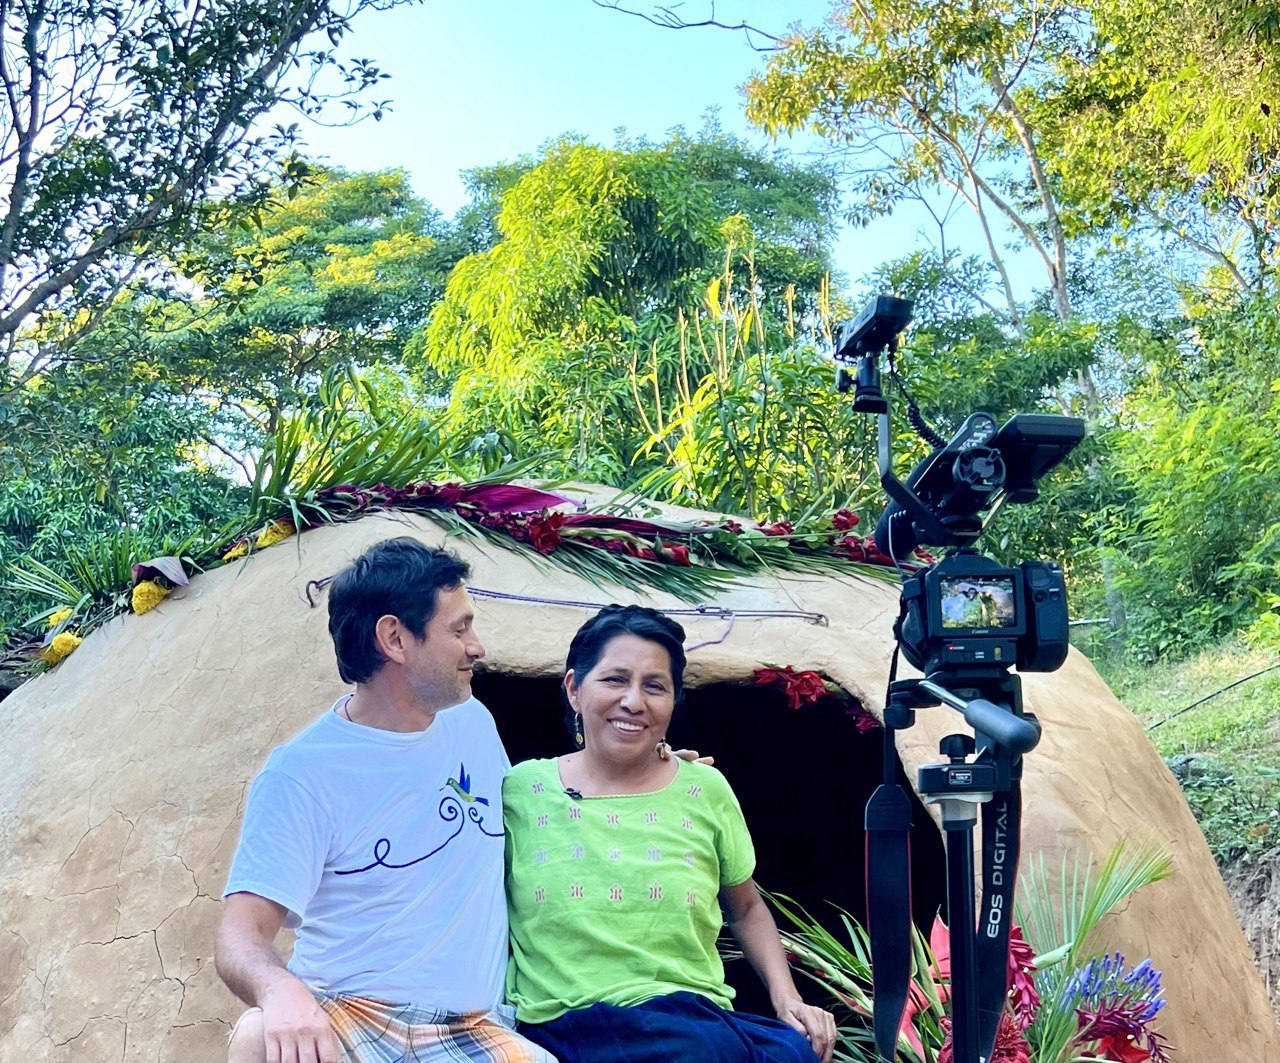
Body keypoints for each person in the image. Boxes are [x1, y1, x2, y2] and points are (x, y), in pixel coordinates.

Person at [215, 537, 556, 1063]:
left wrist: (649, 766)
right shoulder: (303, 774)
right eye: (459, 628)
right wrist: (279, 991)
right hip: (352, 1014)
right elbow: (240, 936)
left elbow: (540, 809)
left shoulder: (474, 723)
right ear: (395, 639)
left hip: (474, 1028)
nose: (477, 646)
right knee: (259, 1035)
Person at [503, 605, 838, 1063]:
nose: (634, 701)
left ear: (673, 702)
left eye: (654, 686)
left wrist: (788, 1001)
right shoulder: (520, 790)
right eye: (614, 679)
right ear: (574, 689)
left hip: (692, 1019)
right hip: (568, 1025)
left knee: (793, 1052)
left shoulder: (704, 789)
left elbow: (745, 907)